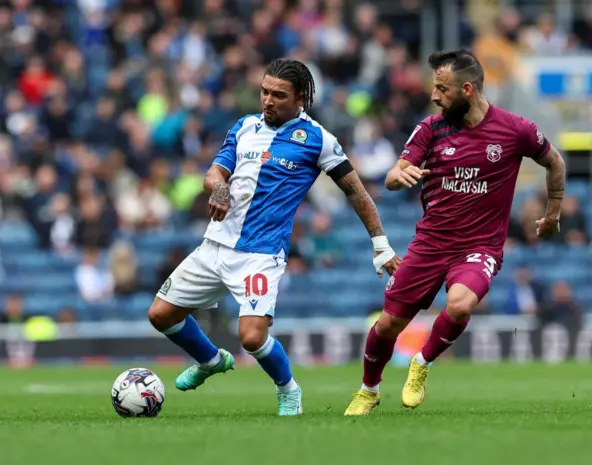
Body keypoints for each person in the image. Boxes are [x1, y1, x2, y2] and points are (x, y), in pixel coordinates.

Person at [147, 59, 401, 416]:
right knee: (160, 315)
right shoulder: (245, 126)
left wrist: (380, 244)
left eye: (278, 95)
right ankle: (210, 360)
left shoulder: (318, 140)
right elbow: (214, 172)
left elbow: (357, 194)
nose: (267, 100)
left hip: (261, 253)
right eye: (264, 92)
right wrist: (219, 188)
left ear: (301, 99)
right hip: (216, 244)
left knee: (252, 337)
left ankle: (288, 389)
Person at [344, 49, 566, 416]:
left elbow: (554, 161)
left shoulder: (515, 129)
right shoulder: (430, 128)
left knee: (461, 304)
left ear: (467, 89)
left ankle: (422, 363)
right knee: (387, 326)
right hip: (430, 244)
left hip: (480, 246)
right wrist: (399, 176)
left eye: (442, 89)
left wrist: (553, 213)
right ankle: (369, 389)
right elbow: (394, 174)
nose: (434, 96)